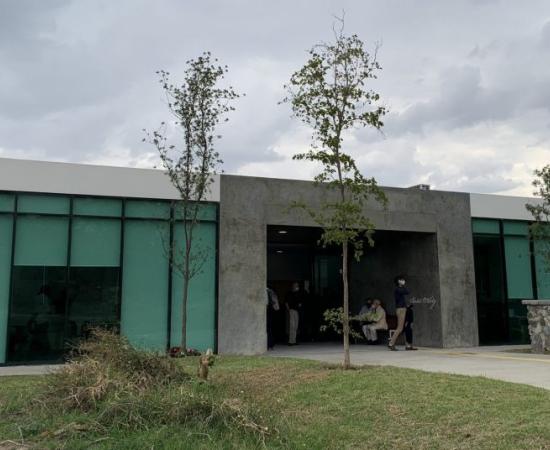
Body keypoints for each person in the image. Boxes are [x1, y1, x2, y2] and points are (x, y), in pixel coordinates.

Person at [388, 276, 409, 351]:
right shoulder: (398, 289)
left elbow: (406, 291)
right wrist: (403, 285)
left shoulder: (400, 289)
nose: (403, 281)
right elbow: (407, 292)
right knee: (399, 328)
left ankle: (391, 343)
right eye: (401, 280)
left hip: (402, 309)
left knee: (400, 328)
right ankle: (391, 343)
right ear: (398, 281)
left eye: (403, 280)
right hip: (400, 309)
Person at [286, 282, 304, 346]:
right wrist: (289, 310)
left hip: (297, 311)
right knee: (292, 326)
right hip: (292, 310)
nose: (297, 287)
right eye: (296, 285)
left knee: (296, 326)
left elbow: (300, 302)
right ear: (293, 286)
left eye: (297, 285)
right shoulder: (289, 293)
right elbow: (286, 302)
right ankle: (291, 341)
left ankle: (294, 340)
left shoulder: (298, 293)